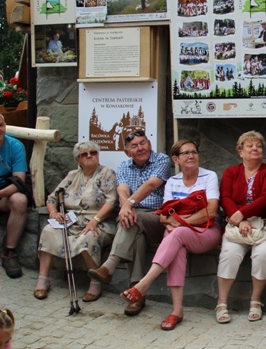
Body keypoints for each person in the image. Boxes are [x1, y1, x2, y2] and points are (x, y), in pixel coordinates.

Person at [120, 140, 222, 331]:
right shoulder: (172, 182)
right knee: (176, 242)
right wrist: (171, 222)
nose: (191, 156)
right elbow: (164, 216)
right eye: (185, 153)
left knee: (176, 233)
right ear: (176, 159)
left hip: (207, 231)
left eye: (194, 152)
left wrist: (181, 222)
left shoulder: (209, 176)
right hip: (181, 234)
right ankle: (177, 310)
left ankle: (144, 284)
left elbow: (212, 210)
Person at [88, 131, 172, 316]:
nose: (141, 148)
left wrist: (128, 206)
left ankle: (109, 265)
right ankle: (137, 294)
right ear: (127, 152)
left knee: (131, 219)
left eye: (143, 143)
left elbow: (151, 185)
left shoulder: (162, 160)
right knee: (134, 231)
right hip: (135, 216)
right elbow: (122, 189)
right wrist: (127, 207)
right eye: (134, 146)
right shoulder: (124, 165)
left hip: (158, 217)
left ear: (149, 143)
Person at [35, 142, 117, 302]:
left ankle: (95, 283)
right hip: (70, 222)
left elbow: (111, 201)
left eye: (93, 152)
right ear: (77, 160)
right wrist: (54, 212)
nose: (89, 156)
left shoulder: (107, 173)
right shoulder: (72, 176)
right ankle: (43, 280)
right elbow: (52, 197)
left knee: (88, 236)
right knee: (48, 231)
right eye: (84, 154)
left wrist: (96, 220)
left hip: (98, 222)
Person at [217, 131, 266, 324]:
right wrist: (239, 220)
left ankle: (255, 300)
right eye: (249, 146)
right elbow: (225, 197)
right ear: (240, 151)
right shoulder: (230, 172)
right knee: (229, 254)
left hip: (262, 225)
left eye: (258, 146)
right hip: (237, 226)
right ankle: (222, 302)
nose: (254, 149)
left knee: (263, 255)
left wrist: (243, 214)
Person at [0, 114, 29, 279]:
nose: (0, 130)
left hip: (5, 192)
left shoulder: (15, 146)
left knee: (20, 200)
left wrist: (1, 193)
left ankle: (9, 253)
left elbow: (19, 181)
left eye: (1, 125)